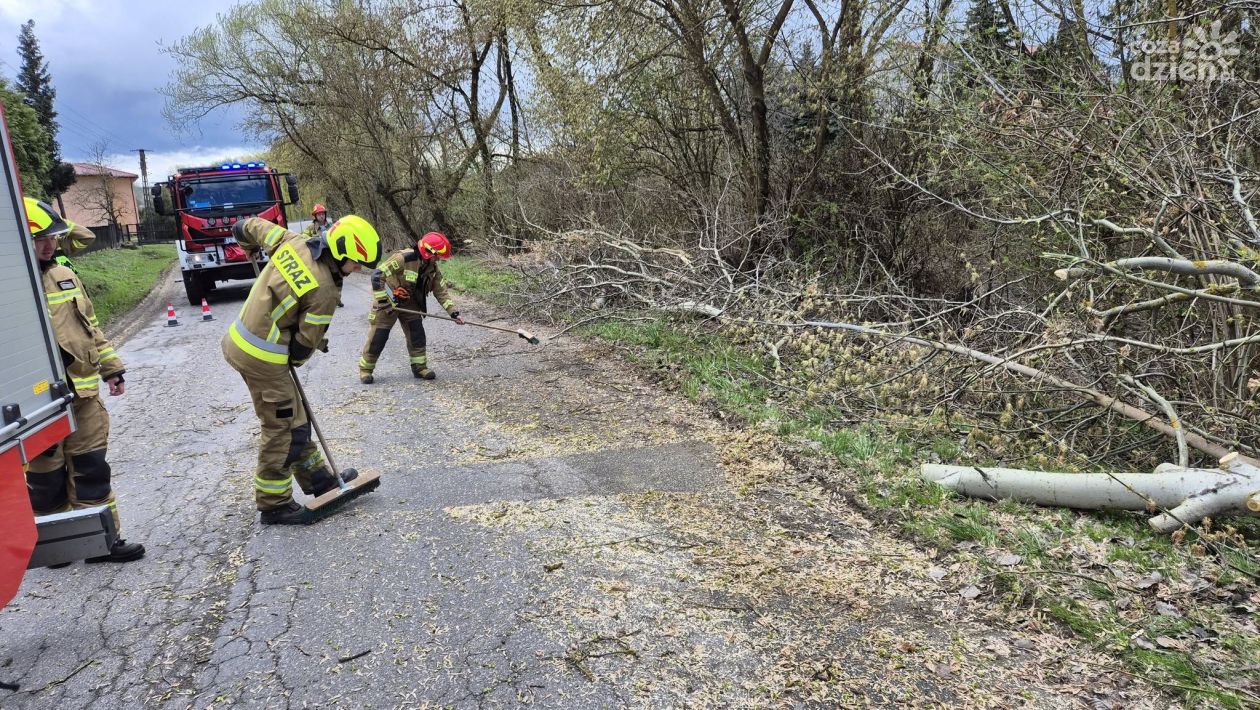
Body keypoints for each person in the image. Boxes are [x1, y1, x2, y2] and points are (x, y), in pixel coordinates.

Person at [222, 214, 381, 525]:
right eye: (356, 262)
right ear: (340, 252)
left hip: (239, 340)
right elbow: (300, 349)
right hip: (262, 357)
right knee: (284, 427)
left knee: (296, 416)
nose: (358, 269)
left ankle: (320, 481)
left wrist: (247, 246)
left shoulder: (291, 241)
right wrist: (295, 355)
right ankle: (273, 504)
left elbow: (247, 226)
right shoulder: (324, 291)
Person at [23, 197, 145, 563]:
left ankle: (100, 543)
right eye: (41, 238)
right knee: (46, 478)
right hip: (38, 403)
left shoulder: (63, 273)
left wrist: (112, 368)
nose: (51, 244)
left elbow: (89, 327)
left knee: (92, 467)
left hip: (83, 393)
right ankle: (56, 547)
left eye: (53, 237)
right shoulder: (11, 288)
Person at [358, 231, 465, 384]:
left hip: (410, 303)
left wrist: (454, 313)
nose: (438, 260)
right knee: (379, 336)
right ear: (429, 251)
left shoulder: (432, 268)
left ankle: (419, 367)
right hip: (389, 300)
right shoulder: (404, 258)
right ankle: (365, 369)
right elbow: (377, 275)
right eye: (437, 256)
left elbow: (441, 292)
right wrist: (383, 300)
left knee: (417, 334)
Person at [304, 204, 342, 307]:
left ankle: (337, 298)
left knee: (337, 275)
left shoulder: (331, 226)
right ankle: (321, 300)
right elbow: (304, 239)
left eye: (323, 214)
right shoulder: (310, 228)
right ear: (315, 216)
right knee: (321, 279)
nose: (321, 216)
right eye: (319, 214)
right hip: (318, 257)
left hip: (331, 256)